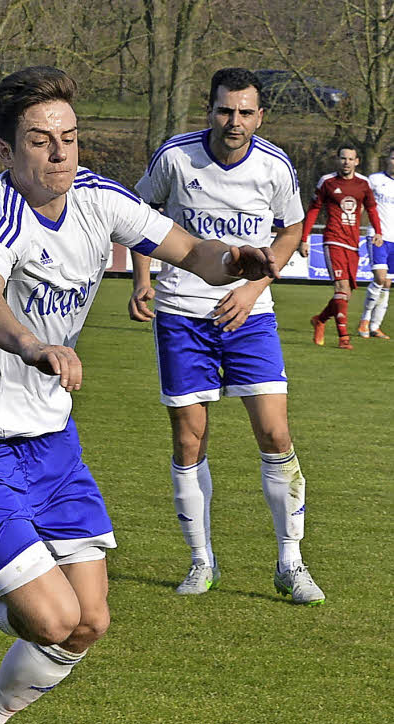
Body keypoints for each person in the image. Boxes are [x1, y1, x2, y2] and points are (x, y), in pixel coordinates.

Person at [0, 66, 279, 724]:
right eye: (41, 142)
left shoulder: (101, 198)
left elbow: (189, 250)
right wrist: (32, 344)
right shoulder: (0, 213)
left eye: (70, 139)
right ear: (5, 150)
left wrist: (232, 260)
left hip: (51, 444)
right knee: (49, 619)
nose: (60, 156)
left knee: (90, 622)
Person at [129, 66, 325, 607]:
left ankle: (291, 562)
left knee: (275, 435)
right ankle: (201, 561)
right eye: (224, 110)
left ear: (260, 116)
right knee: (190, 439)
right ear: (209, 110)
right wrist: (143, 280)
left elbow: (291, 228)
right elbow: (141, 215)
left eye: (244, 112)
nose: (234, 121)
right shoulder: (176, 155)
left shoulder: (275, 165)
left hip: (250, 316)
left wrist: (256, 286)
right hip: (182, 315)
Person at [300, 145, 382, 349]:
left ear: (357, 162)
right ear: (338, 160)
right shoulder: (327, 182)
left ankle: (319, 319)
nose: (346, 162)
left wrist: (378, 231)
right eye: (343, 158)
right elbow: (313, 209)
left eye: (350, 159)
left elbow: (371, 208)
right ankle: (343, 338)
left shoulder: (363, 184)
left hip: (353, 243)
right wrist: (304, 238)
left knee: (347, 293)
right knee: (341, 287)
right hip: (333, 239)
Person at [358, 145, 394, 339]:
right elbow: (362, 205)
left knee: (387, 283)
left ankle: (375, 326)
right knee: (380, 277)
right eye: (393, 158)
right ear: (387, 159)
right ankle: (364, 320)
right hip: (378, 236)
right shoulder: (375, 180)